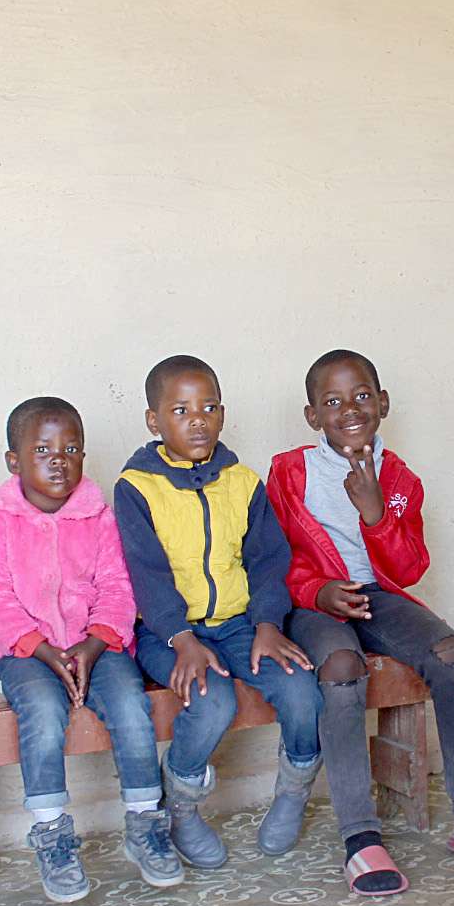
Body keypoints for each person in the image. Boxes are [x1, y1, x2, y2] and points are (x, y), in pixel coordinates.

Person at [266, 349, 454, 896]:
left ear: (383, 402)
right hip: (315, 603)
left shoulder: (401, 478)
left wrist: (375, 512)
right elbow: (271, 557)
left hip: (377, 596)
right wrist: (318, 590)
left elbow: (409, 568)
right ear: (313, 416)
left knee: (453, 653)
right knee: (341, 667)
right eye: (332, 401)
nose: (349, 409)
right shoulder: (290, 472)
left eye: (362, 396)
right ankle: (360, 838)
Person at [113, 355, 323, 867]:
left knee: (301, 691)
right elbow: (146, 574)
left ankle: (293, 795)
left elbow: (268, 560)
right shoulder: (137, 488)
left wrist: (268, 625)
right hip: (168, 633)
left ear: (223, 413)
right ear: (153, 421)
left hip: (242, 624)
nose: (197, 419)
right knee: (212, 701)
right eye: (180, 410)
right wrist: (181, 639)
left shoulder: (243, 482)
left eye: (208, 407)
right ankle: (180, 809)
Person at [0, 395, 182, 900]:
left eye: (71, 449)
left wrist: (93, 645)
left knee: (132, 707)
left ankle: (145, 824)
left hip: (98, 646)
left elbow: (117, 587)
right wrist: (41, 649)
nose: (58, 460)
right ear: (14, 461)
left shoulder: (100, 517)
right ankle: (52, 835)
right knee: (42, 711)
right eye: (42, 449)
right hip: (25, 653)